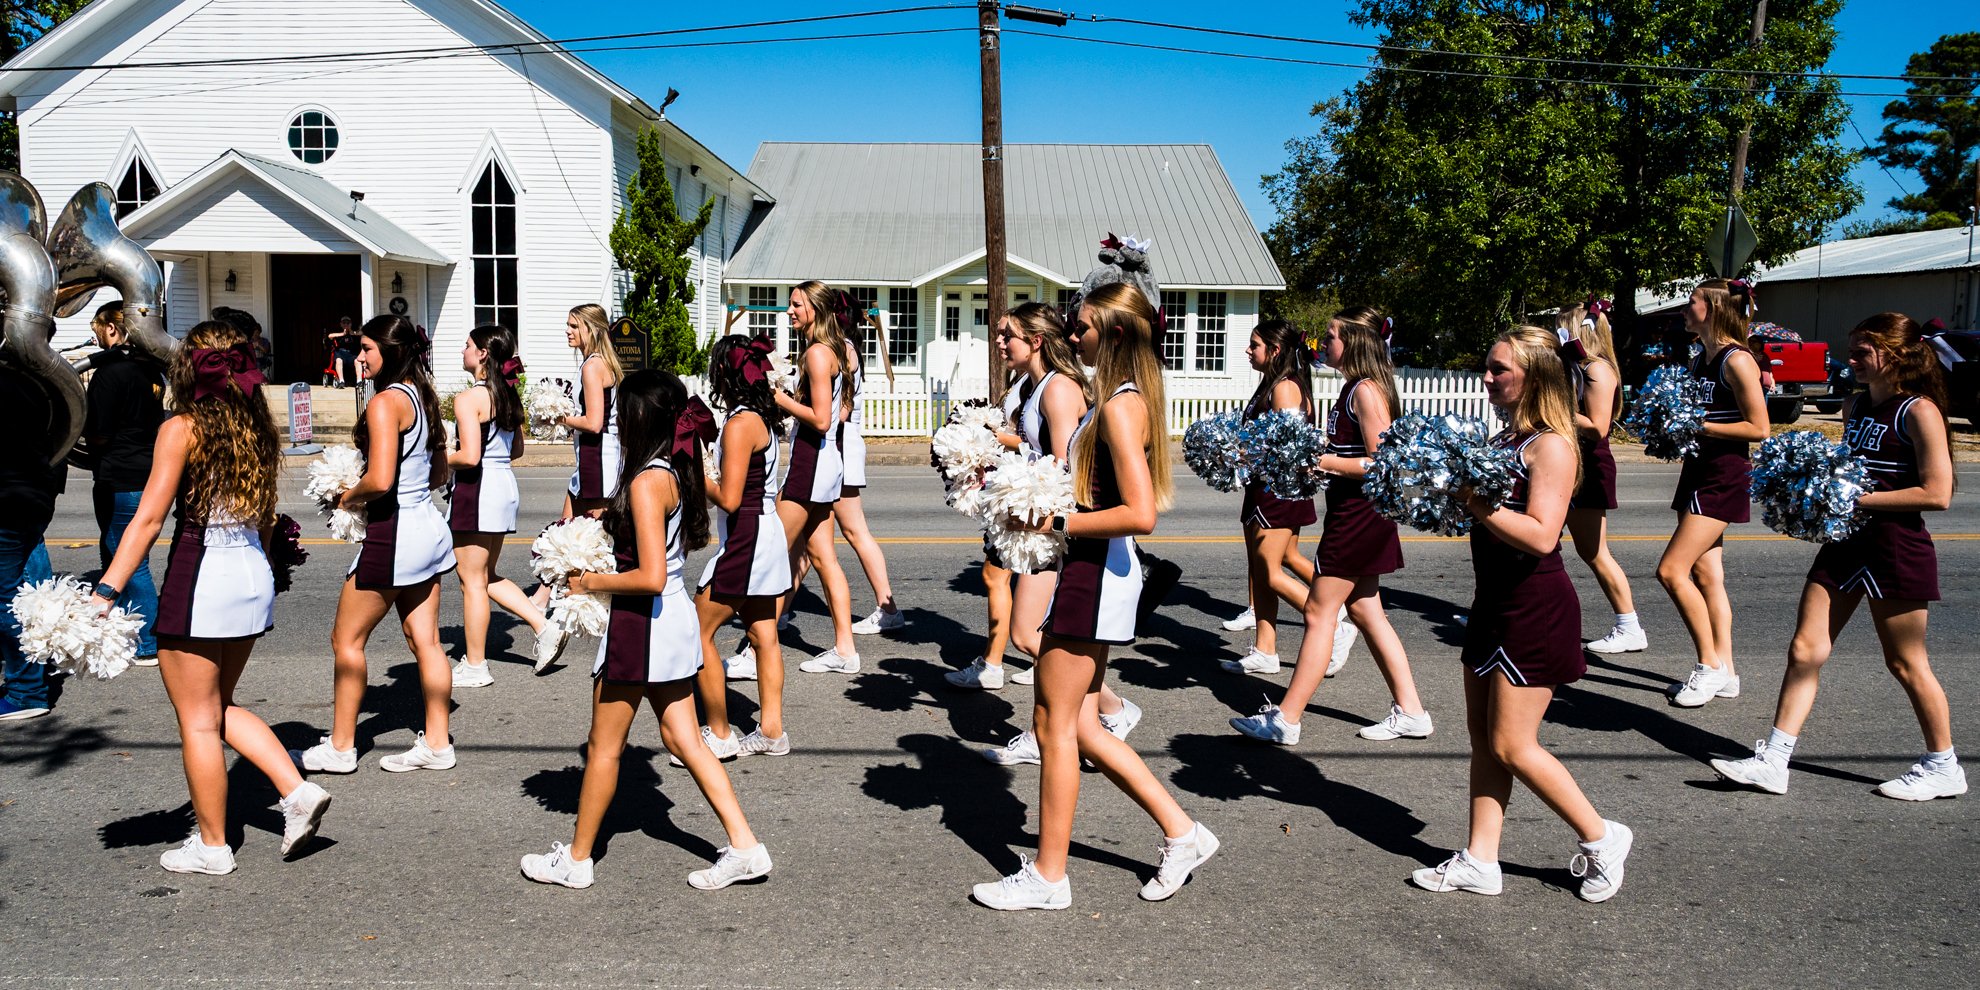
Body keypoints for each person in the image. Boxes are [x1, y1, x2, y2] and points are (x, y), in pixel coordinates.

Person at [970, 282, 1214, 911]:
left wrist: (1056, 523)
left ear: (1113, 333)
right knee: (1078, 725)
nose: (1071, 336)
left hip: (1095, 570)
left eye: (1080, 327)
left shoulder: (1120, 406)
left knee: (1054, 725)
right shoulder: (1116, 398)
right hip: (1089, 567)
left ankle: (1050, 878)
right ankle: (1182, 831)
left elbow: (1140, 513)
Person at [91, 320, 332, 873]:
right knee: (217, 706)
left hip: (202, 573)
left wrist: (107, 589)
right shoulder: (258, 424)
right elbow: (267, 518)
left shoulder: (181, 427)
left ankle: (214, 845)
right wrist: (271, 571)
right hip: (250, 573)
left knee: (197, 720)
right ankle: (295, 792)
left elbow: (148, 519)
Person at [520, 369, 772, 891]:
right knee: (683, 738)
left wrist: (587, 579)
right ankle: (746, 847)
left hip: (644, 623)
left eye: (620, 412)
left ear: (638, 418)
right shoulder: (677, 467)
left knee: (604, 744)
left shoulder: (645, 479)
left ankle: (578, 859)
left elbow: (651, 575)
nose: (613, 418)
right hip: (672, 618)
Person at [1411, 325, 1632, 902]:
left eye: (1498, 369)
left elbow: (1540, 536)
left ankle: (1603, 836)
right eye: (1487, 367)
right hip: (1492, 602)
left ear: (1532, 376)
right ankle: (1481, 859)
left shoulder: (1553, 445)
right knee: (1483, 740)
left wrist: (1474, 501)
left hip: (1534, 606)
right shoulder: (1511, 436)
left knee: (1514, 745)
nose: (1486, 377)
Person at [1712, 312, 1964, 800]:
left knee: (1906, 662)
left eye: (1861, 353)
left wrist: (1848, 500)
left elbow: (1938, 493)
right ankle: (1774, 760)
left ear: (1892, 356)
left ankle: (1943, 764)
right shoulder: (1854, 406)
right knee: (1805, 649)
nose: (1850, 361)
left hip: (1897, 547)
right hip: (1846, 543)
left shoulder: (1919, 411)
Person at [1230, 307, 1431, 745]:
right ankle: (1412, 710)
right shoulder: (1354, 390)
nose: (1324, 343)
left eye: (1332, 336)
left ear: (1355, 342)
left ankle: (1287, 718)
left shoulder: (1366, 392)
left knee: (1322, 614)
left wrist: (1320, 461)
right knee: (1366, 611)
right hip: (1354, 511)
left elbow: (1382, 462)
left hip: (1360, 516)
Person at [967, 303, 1143, 767]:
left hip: (1060, 530)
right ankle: (1056, 724)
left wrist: (1044, 515)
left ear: (1035, 340)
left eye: (1009, 335)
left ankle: (1097, 713)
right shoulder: (1032, 386)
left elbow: (1066, 466)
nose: (1001, 342)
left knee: (1030, 633)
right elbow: (1035, 449)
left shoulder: (1060, 389)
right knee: (1030, 632)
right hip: (1042, 524)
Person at [292, 316, 459, 774]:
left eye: (366, 348)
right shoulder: (422, 395)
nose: (358, 356)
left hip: (395, 532)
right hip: (427, 525)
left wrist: (345, 496)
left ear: (392, 350)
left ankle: (342, 747)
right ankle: (439, 744)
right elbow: (439, 472)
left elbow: (381, 479)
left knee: (346, 639)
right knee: (425, 641)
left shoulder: (386, 402)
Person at [1658, 279, 1768, 707]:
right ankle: (1728, 671)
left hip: (1722, 474)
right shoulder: (1700, 358)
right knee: (1707, 576)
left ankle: (1708, 666)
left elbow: (1759, 428)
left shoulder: (1736, 361)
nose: (1684, 311)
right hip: (1699, 468)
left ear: (1714, 309)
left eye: (1692, 304)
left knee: (1671, 571)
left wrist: (1696, 426)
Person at [685, 335, 793, 760]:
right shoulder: (760, 417)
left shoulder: (740, 423)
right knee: (764, 635)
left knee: (700, 630)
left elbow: (729, 498)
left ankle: (720, 731)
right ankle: (771, 731)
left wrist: (692, 467)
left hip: (746, 535)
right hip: (764, 531)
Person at [447, 324, 556, 688]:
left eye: (467, 345)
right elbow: (517, 450)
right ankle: (543, 624)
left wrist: (440, 455)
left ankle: (476, 665)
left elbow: (469, 456)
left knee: (472, 581)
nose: (462, 350)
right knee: (485, 575)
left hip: (478, 489)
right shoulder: (507, 393)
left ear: (482, 354)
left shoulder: (469, 398)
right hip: (503, 484)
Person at [1221, 318, 1323, 675]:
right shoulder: (1272, 384)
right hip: (1261, 485)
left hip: (1278, 489)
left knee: (1269, 570)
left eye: (1254, 345)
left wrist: (1244, 453)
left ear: (1275, 350)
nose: (1248, 351)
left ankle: (1332, 621)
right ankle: (1265, 650)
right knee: (1264, 567)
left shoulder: (1285, 389)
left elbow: (1288, 448)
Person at [774, 281, 860, 675]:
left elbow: (823, 420)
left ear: (816, 309)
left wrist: (781, 400)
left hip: (811, 462)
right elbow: (839, 411)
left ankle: (758, 644)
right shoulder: (837, 350)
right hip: (826, 463)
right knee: (823, 558)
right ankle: (845, 650)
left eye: (796, 305)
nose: (790, 310)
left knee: (773, 553)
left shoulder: (817, 353)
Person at [75, 302, 165, 667]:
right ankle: (132, 630)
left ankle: (148, 641)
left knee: (127, 557)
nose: (96, 333)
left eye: (98, 327)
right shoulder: (152, 369)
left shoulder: (110, 373)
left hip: (120, 472)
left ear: (112, 329)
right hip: (146, 468)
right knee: (122, 552)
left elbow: (98, 432)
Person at [1562, 299, 1646, 654]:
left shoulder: (1598, 370)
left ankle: (1630, 626)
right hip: (1566, 461)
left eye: (1562, 326)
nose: (1557, 334)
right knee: (1531, 542)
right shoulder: (1577, 367)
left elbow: (1597, 427)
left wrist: (1552, 405)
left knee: (1594, 551)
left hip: (1590, 466)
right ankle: (1496, 613)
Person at [0, 359, 66, 722]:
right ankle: (39, 665)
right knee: (26, 588)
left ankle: (26, 691)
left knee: (6, 595)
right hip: (35, 491)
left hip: (8, 496)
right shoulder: (35, 382)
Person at [329, 317, 360, 388]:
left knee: (357, 361)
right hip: (341, 353)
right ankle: (341, 381)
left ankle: (359, 381)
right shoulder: (338, 331)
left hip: (351, 354)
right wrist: (342, 334)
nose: (346, 324)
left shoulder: (354, 332)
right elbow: (330, 336)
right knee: (338, 360)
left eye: (348, 323)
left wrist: (352, 332)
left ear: (351, 324)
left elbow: (362, 333)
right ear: (341, 324)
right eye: (344, 323)